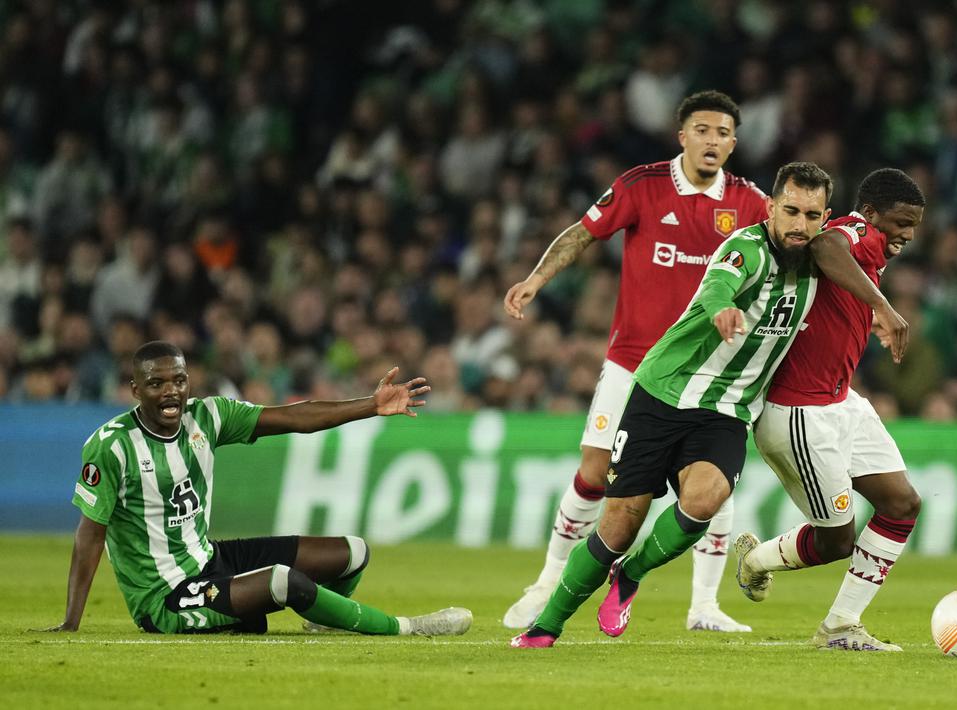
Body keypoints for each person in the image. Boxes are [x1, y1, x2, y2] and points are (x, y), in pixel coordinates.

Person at [511, 161, 910, 648]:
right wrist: (722, 305)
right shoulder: (745, 247)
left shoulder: (819, 261)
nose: (799, 225)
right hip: (663, 393)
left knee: (704, 501)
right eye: (790, 211)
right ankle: (545, 626)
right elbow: (721, 282)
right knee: (619, 524)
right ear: (770, 208)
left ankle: (631, 575)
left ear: (825, 217)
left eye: (810, 215)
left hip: (729, 409)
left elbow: (837, 256)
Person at [502, 90, 768, 632]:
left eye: (722, 133)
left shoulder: (749, 202)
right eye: (702, 130)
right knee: (596, 471)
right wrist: (536, 279)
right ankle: (549, 578)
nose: (712, 140)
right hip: (633, 361)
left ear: (733, 143)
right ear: (683, 136)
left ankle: (704, 607)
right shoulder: (641, 185)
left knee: (711, 483)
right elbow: (583, 231)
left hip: (708, 370)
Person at [45, 341, 472, 637]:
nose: (170, 391)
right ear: (136, 390)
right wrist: (71, 621)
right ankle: (405, 627)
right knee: (286, 582)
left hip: (210, 559)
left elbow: (295, 418)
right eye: (156, 384)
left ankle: (326, 619)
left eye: (178, 380)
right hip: (167, 597)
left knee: (353, 553)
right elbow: (90, 533)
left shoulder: (208, 417)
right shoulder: (111, 446)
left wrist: (371, 406)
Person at [732, 168, 926, 651]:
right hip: (799, 413)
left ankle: (841, 625)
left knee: (902, 505)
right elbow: (824, 246)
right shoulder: (851, 233)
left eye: (915, 225)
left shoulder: (873, 252)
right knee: (837, 541)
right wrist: (882, 306)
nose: (907, 234)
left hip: (842, 403)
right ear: (872, 213)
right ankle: (756, 561)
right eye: (901, 222)